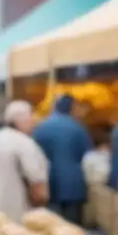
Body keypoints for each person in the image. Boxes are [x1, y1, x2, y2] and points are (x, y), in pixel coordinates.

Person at [0, 100, 49, 221]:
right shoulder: (24, 143)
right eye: (30, 117)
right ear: (19, 120)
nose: (33, 122)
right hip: (22, 214)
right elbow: (38, 183)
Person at [33, 93, 94, 224]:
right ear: (71, 107)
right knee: (73, 228)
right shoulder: (78, 127)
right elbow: (87, 154)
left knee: (51, 226)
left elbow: (36, 154)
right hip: (74, 184)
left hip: (50, 181)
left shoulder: (41, 127)